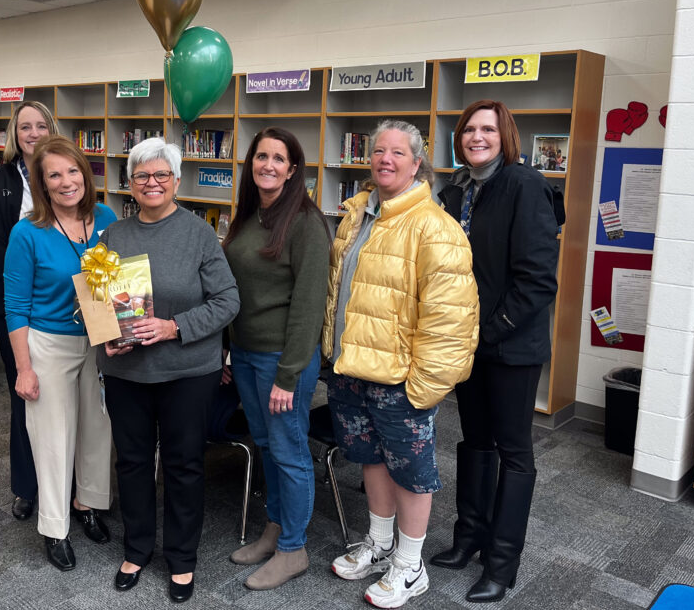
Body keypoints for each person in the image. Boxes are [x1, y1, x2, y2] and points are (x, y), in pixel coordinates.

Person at [323, 120, 478, 609]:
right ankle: (380, 543)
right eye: (378, 151)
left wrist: (425, 387)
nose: (384, 159)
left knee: (411, 472)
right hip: (351, 369)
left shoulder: (435, 227)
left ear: (416, 163)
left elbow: (451, 321)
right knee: (370, 460)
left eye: (397, 153)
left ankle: (410, 566)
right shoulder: (356, 215)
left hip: (400, 380)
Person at [99, 138, 239, 603]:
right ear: (131, 184)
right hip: (128, 374)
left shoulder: (199, 234)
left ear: (177, 182)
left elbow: (227, 301)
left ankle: (182, 559)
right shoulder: (113, 236)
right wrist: (109, 337)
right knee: (133, 463)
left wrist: (173, 327)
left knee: (183, 466)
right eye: (142, 176)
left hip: (187, 373)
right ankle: (136, 550)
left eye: (162, 175)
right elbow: (102, 306)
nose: (152, 183)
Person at [431, 100, 560, 603]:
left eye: (487, 129)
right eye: (468, 129)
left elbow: (537, 281)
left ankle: (502, 565)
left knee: (514, 453)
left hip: (511, 345)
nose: (476, 136)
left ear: (505, 136)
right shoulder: (457, 189)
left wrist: (491, 331)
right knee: (474, 441)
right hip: (471, 343)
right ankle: (469, 540)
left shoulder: (526, 186)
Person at [221, 127, 330, 590]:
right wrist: (228, 347)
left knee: (289, 452)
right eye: (261, 156)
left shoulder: (305, 222)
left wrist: (289, 375)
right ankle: (275, 528)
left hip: (282, 360)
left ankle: (294, 549)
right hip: (245, 354)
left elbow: (308, 306)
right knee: (266, 446)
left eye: (278, 158)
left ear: (292, 169)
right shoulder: (248, 215)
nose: (268, 165)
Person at [3, 136, 116, 571]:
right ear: (43, 183)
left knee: (97, 427)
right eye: (54, 175)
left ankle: (88, 504)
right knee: (52, 439)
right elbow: (14, 305)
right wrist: (24, 368)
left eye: (73, 171)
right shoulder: (27, 232)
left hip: (98, 341)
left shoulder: (105, 218)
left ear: (85, 175)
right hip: (48, 344)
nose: (66, 181)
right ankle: (55, 527)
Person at [0, 101, 59, 522]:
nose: (33, 133)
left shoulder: (66, 174)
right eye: (24, 126)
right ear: (15, 133)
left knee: (67, 401)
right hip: (15, 307)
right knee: (25, 396)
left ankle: (66, 484)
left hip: (64, 310)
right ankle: (27, 487)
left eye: (40, 125)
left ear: (52, 129)